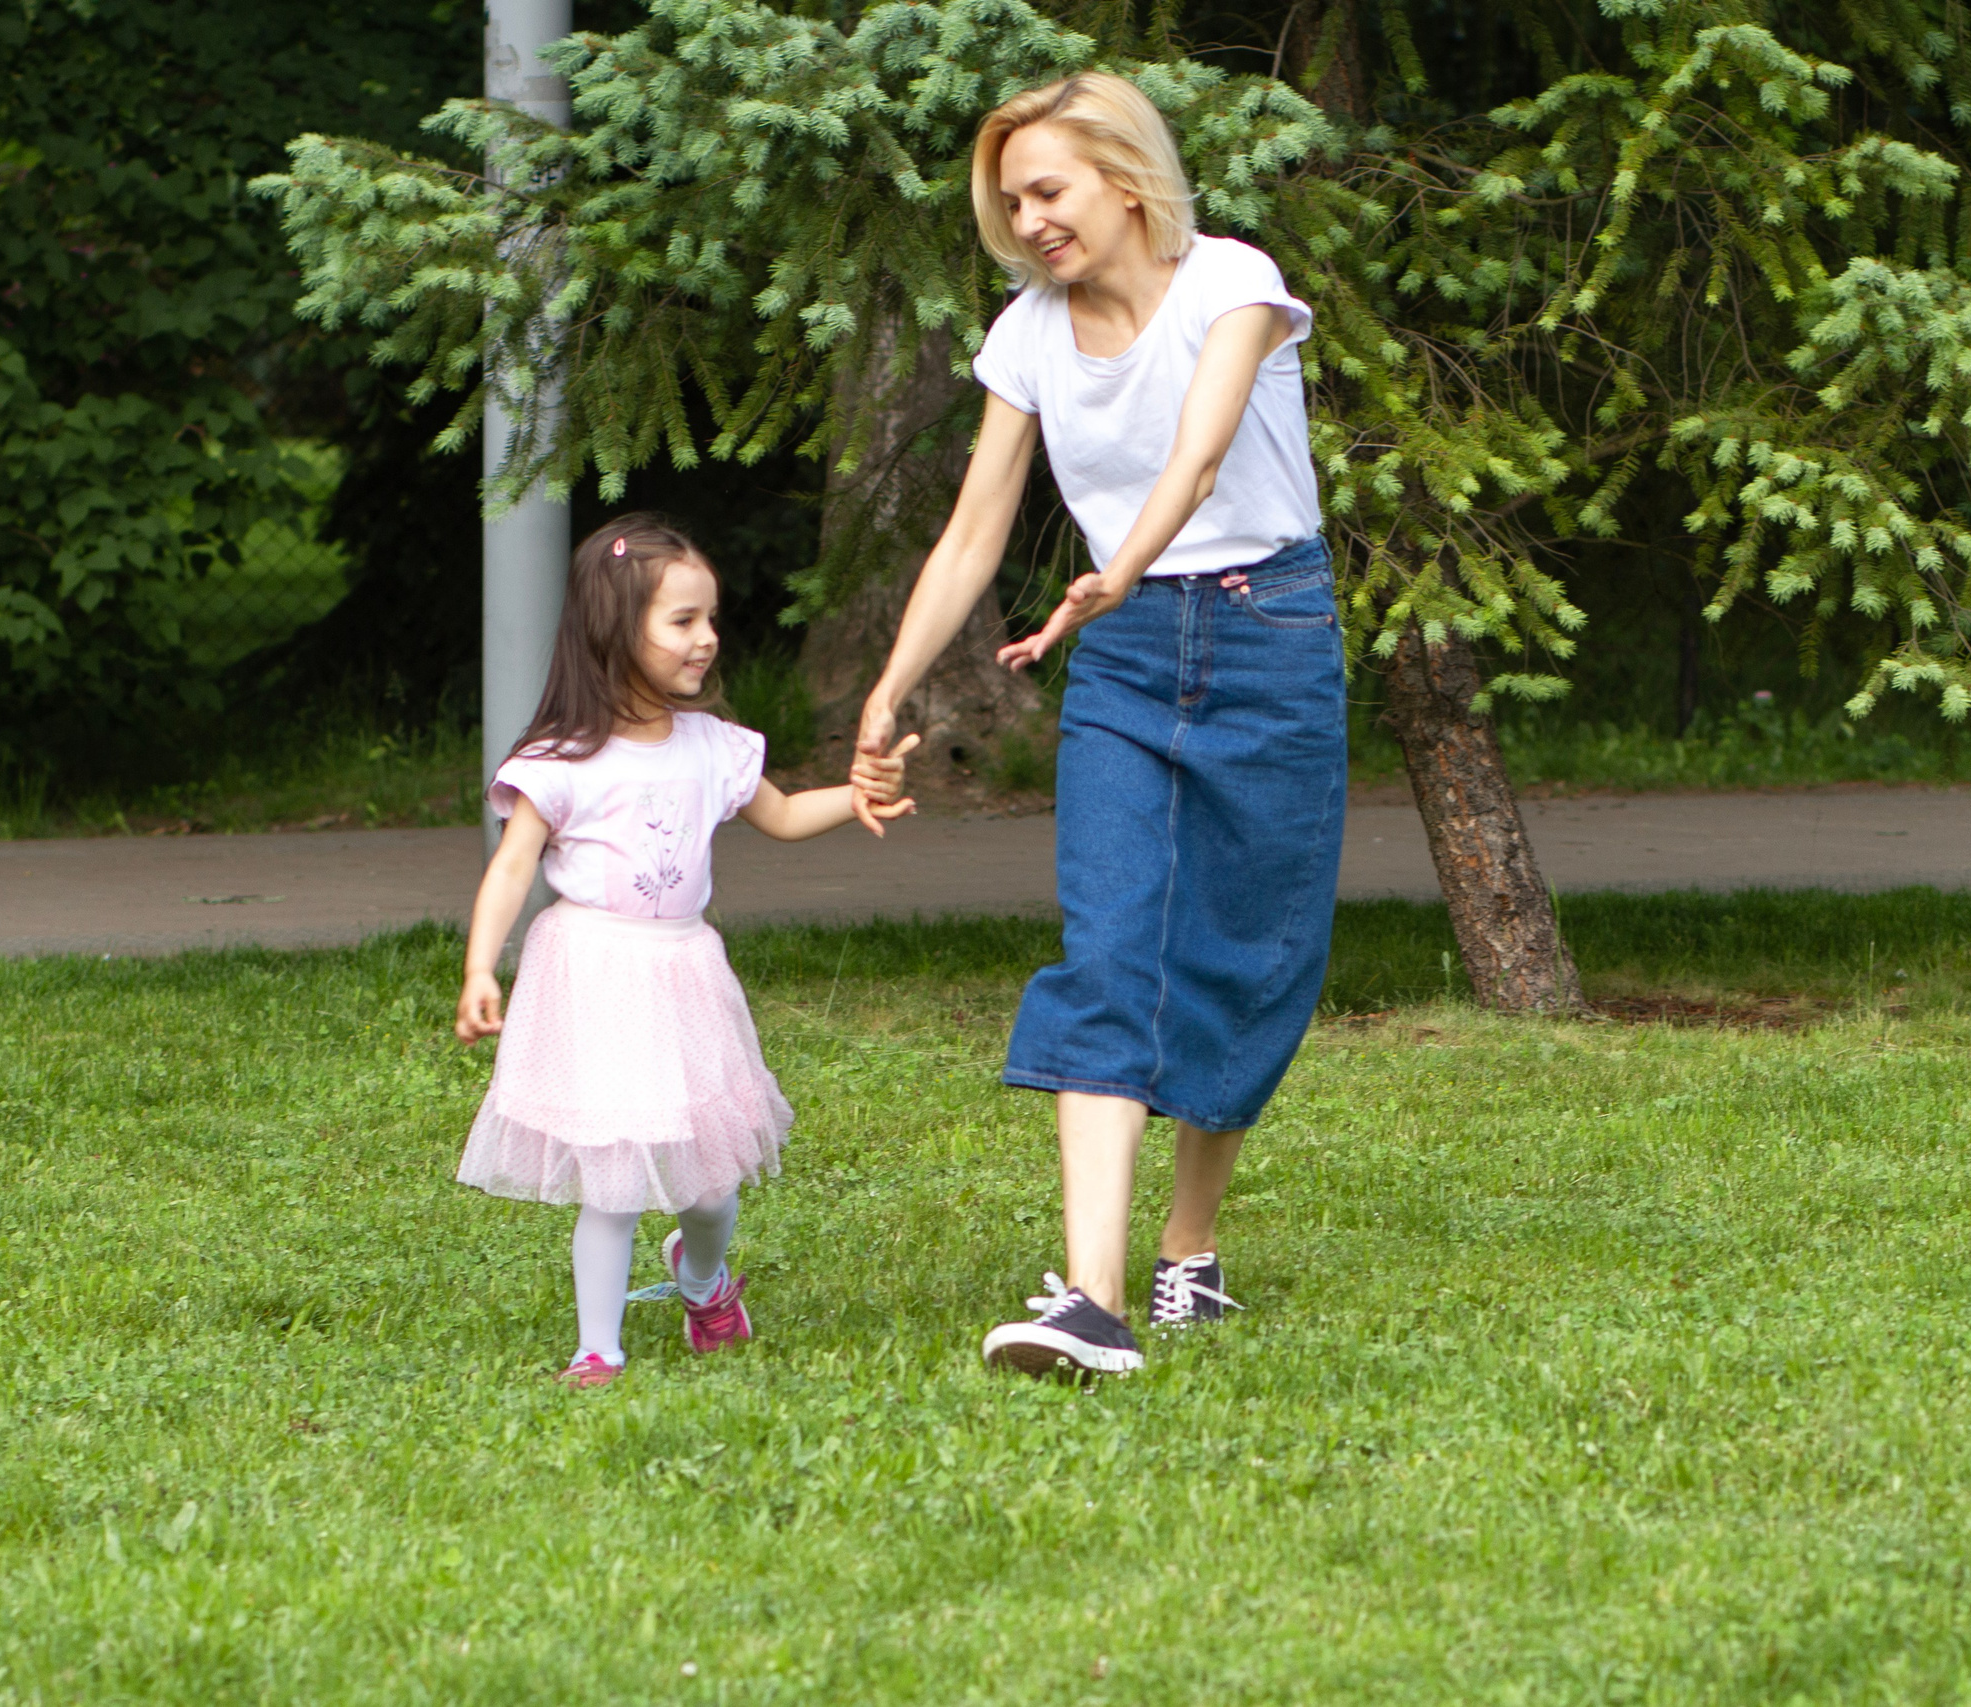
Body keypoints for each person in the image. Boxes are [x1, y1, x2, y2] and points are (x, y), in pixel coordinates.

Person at [854, 74, 1343, 1376]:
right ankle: (1090, 1296)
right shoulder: (1028, 334)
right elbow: (973, 529)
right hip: (1122, 654)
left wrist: (1122, 561)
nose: (1029, 220)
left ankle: (1187, 1251)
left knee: (1246, 950)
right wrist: (889, 685)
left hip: (1266, 628)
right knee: (1111, 942)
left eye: (1050, 191)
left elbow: (1199, 446)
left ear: (1127, 179)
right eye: (1011, 200)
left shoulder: (1233, 282)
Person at [454, 514, 917, 1388]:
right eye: (682, 621)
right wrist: (483, 965)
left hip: (684, 973)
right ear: (614, 630)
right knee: (615, 1175)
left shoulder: (710, 745)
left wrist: (854, 795)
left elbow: (778, 816)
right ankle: (599, 1345)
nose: (706, 639)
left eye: (711, 620)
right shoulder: (561, 761)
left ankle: (700, 1274)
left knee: (709, 1185)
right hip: (592, 974)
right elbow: (513, 867)